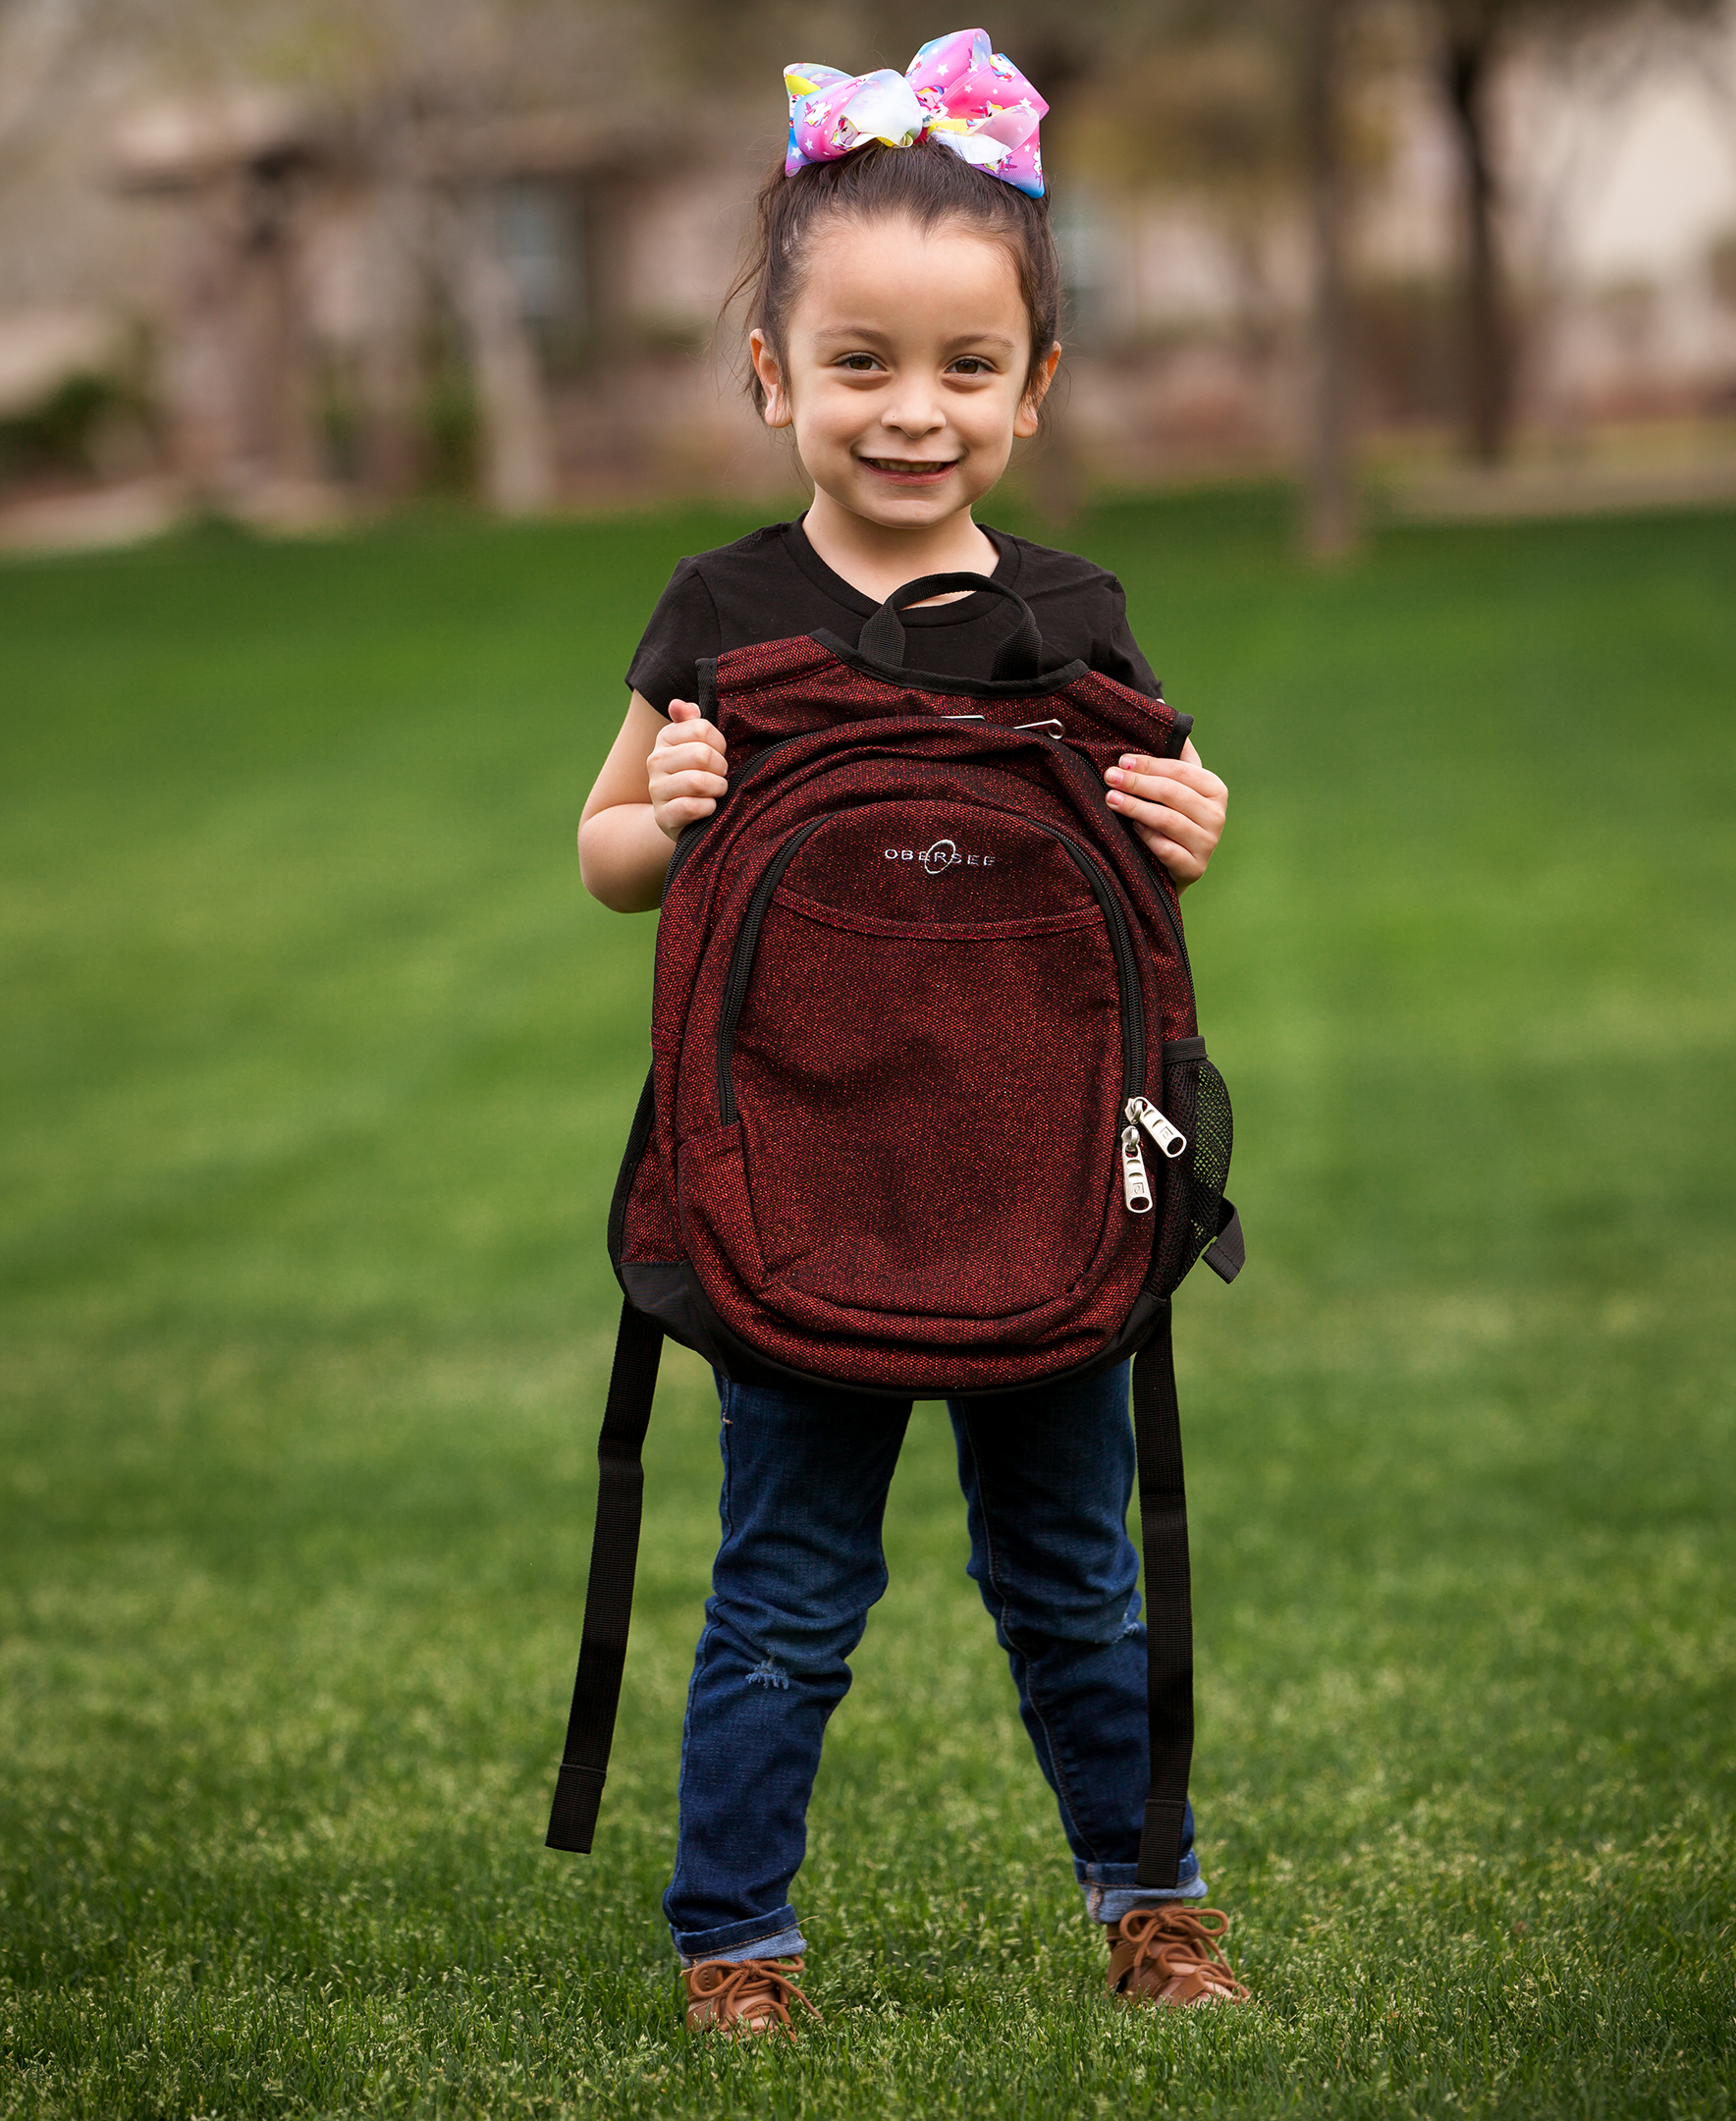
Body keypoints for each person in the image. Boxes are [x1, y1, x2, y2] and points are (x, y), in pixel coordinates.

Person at [577, 30, 1243, 2036]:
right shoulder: (716, 610)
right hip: (795, 1176)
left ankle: (1154, 1905)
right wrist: (664, 817)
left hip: (1043, 1171)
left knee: (1070, 1580)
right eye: (857, 362)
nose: (911, 412)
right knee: (786, 1592)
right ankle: (737, 1947)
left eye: (965, 369)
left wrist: (1200, 825)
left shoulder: (1070, 615)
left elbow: (1155, 864)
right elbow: (604, 854)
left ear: (1035, 390)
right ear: (770, 372)